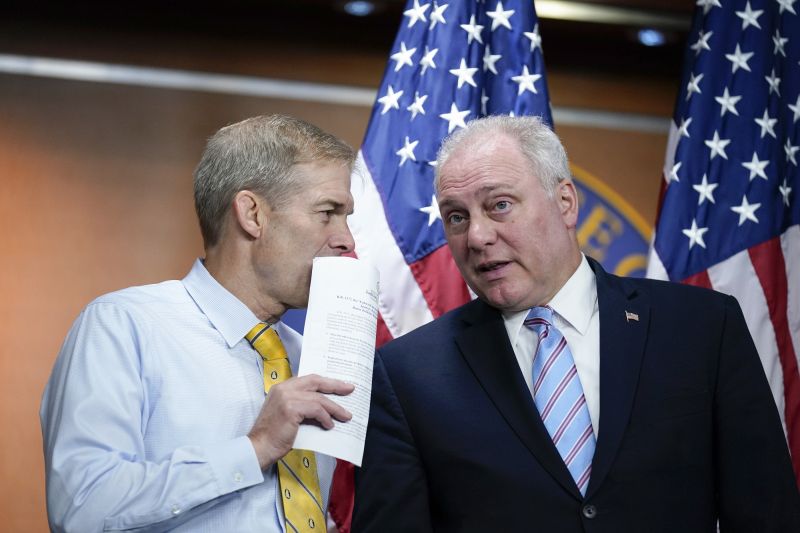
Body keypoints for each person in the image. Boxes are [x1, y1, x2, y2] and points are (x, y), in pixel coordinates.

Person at [352, 115, 800, 532]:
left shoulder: (702, 329)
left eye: (500, 205)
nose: (477, 236)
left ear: (565, 201)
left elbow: (766, 512)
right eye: (456, 217)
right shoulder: (407, 375)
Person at [41, 114, 358, 532]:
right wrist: (254, 449)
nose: (347, 239)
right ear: (252, 214)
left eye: (346, 216)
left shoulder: (311, 356)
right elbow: (82, 507)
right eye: (328, 213)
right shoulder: (124, 327)